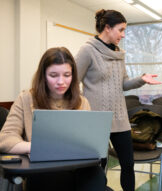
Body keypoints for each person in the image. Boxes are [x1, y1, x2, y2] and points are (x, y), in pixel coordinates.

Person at [75, 9, 161, 191]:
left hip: (120, 118)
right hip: (96, 119)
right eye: (120, 30)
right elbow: (73, 81)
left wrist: (141, 79)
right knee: (99, 167)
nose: (122, 35)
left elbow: (123, 84)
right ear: (107, 28)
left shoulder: (119, 54)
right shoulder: (87, 50)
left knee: (128, 164)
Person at [0, 47, 107, 191]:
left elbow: (89, 143)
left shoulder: (82, 102)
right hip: (43, 169)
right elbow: (5, 138)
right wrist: (37, 147)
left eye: (67, 75)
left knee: (98, 178)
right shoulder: (26, 99)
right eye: (53, 75)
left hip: (78, 166)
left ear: (73, 76)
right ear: (43, 76)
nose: (61, 82)